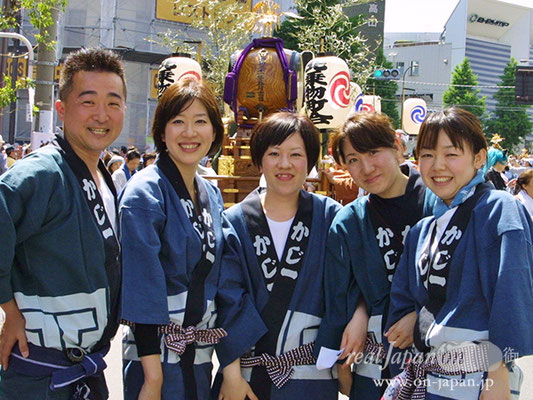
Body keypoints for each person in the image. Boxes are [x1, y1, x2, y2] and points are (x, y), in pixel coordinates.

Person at [119, 77, 264, 400]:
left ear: (214, 131)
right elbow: (143, 286)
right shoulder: (144, 192)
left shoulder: (210, 192)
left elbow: (224, 279)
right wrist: (153, 380)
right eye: (178, 122)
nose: (189, 132)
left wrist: (231, 368)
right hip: (153, 360)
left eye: (200, 121)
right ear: (162, 131)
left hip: (198, 358)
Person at [0, 47, 126, 399]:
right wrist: (9, 309)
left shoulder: (103, 175)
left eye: (113, 103)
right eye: (88, 101)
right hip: (38, 374)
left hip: (84, 369)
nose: (102, 114)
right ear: (61, 109)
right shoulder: (39, 174)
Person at [386, 107, 533, 399]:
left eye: (451, 154)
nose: (438, 165)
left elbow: (511, 292)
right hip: (427, 377)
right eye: (427, 155)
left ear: (479, 158)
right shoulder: (422, 231)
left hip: (478, 378)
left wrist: (499, 373)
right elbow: (403, 302)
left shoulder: (500, 209)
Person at [213, 112, 342, 400]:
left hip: (311, 379)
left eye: (296, 154)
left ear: (309, 160)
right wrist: (231, 374)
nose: (285, 164)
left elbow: (346, 292)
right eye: (274, 153)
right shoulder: (235, 221)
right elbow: (227, 299)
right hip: (246, 378)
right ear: (259, 160)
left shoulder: (331, 217)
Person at [315, 112, 436, 399]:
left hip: (438, 363)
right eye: (353, 159)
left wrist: (420, 317)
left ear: (396, 145)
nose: (366, 167)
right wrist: (358, 312)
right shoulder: (349, 222)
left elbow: (466, 278)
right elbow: (339, 293)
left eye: (373, 152)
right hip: (376, 366)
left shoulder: (436, 202)